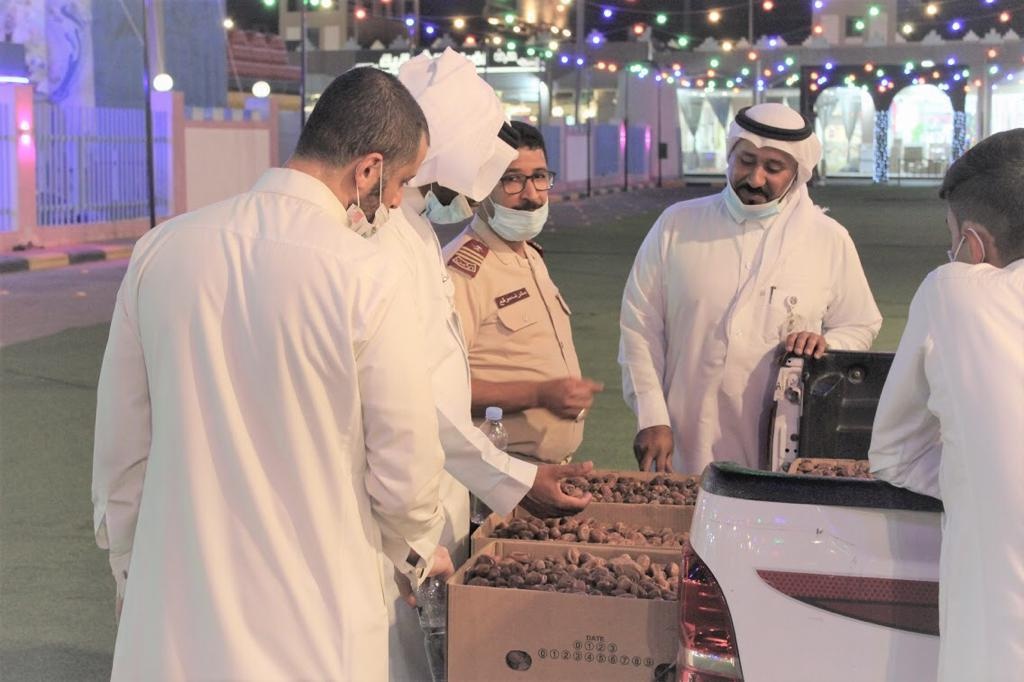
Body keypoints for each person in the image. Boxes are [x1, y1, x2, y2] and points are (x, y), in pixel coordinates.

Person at [91, 67, 452, 681]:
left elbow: (121, 451)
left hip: (176, 620)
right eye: (401, 182)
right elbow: (404, 467)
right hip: (315, 625)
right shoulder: (367, 277)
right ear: (368, 170)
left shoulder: (162, 249)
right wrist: (418, 551)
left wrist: (129, 568)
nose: (397, 203)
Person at [371, 49, 595, 681]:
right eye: (492, 167)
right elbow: (419, 405)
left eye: (538, 176)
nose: (494, 182)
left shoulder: (413, 231)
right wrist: (512, 480)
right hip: (419, 503)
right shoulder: (398, 243)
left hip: (444, 490)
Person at [619, 103, 882, 473]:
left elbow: (860, 323)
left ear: (797, 173)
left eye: (773, 168)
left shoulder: (828, 239)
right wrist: (651, 416)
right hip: (683, 437)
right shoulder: (677, 225)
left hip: (784, 447)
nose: (755, 178)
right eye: (745, 161)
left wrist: (826, 344)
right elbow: (640, 326)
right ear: (730, 155)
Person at [868, 128, 1024, 682]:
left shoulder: (954, 292)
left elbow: (895, 455)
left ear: (973, 244)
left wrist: (980, 473)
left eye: (952, 239)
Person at [443, 121, 603, 465]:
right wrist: (539, 395)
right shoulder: (462, 271)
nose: (531, 195)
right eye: (513, 179)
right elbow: (441, 388)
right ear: (481, 188)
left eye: (540, 177)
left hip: (545, 469)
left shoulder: (529, 254)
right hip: (497, 471)